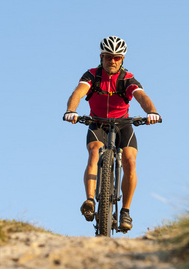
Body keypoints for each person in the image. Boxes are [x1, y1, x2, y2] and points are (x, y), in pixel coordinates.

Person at [63, 36, 160, 231]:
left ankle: (125, 212)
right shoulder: (92, 76)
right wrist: (71, 110)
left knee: (130, 162)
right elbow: (78, 93)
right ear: (101, 57)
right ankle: (90, 201)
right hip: (97, 123)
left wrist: (152, 112)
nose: (112, 61)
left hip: (123, 125)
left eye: (116, 57)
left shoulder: (127, 79)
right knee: (94, 152)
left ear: (122, 59)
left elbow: (142, 97)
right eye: (108, 57)